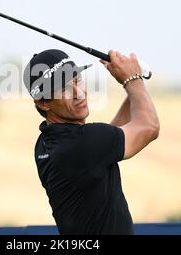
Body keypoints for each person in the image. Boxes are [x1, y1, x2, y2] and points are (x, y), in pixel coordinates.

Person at [23, 49, 160, 235]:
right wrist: (132, 80)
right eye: (64, 89)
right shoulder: (83, 143)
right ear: (42, 103)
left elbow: (110, 139)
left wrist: (134, 80)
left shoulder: (47, 141)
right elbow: (149, 127)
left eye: (77, 80)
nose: (79, 94)